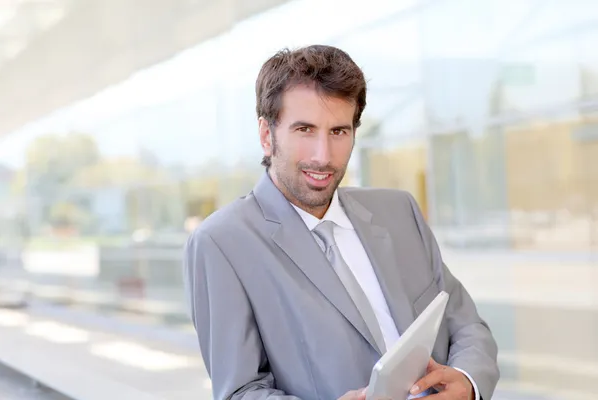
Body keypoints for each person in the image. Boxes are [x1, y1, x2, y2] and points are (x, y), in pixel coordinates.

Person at [183, 45, 499, 400]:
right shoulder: (222, 242)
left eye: (338, 131)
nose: (323, 156)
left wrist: (467, 381)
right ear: (266, 135)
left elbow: (467, 325)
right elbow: (239, 392)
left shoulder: (399, 211)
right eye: (305, 129)